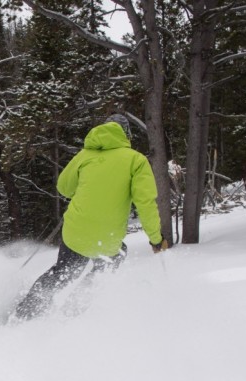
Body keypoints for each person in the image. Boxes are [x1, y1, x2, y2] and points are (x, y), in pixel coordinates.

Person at [13, 114, 169, 320]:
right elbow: (145, 203)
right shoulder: (136, 160)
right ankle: (73, 310)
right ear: (127, 135)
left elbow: (64, 187)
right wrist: (156, 239)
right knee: (113, 259)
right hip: (108, 238)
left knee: (63, 271)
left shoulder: (84, 155)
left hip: (75, 232)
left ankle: (26, 312)